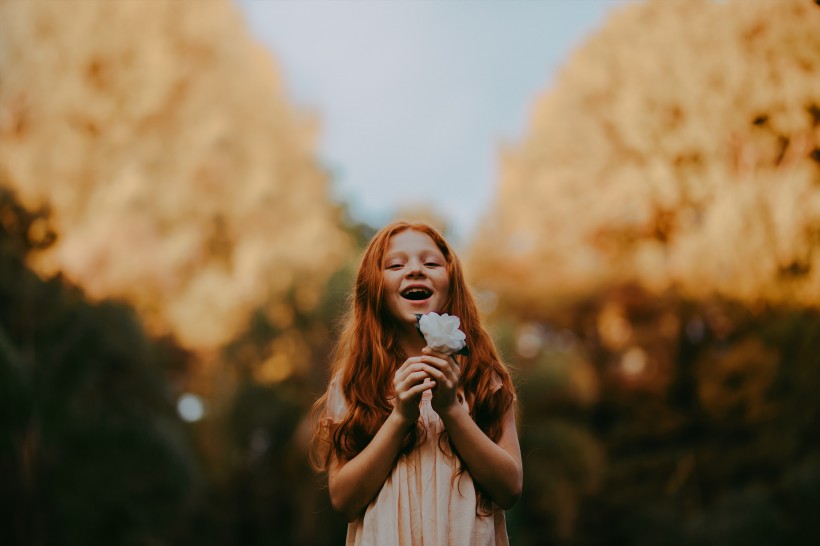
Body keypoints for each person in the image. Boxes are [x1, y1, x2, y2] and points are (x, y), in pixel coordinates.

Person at [311, 221, 522, 546]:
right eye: (396, 264)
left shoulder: (484, 378)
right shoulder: (354, 384)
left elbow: (510, 489)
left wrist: (451, 409)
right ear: (375, 287)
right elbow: (344, 501)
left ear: (451, 283)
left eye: (431, 263)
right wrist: (400, 418)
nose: (414, 271)